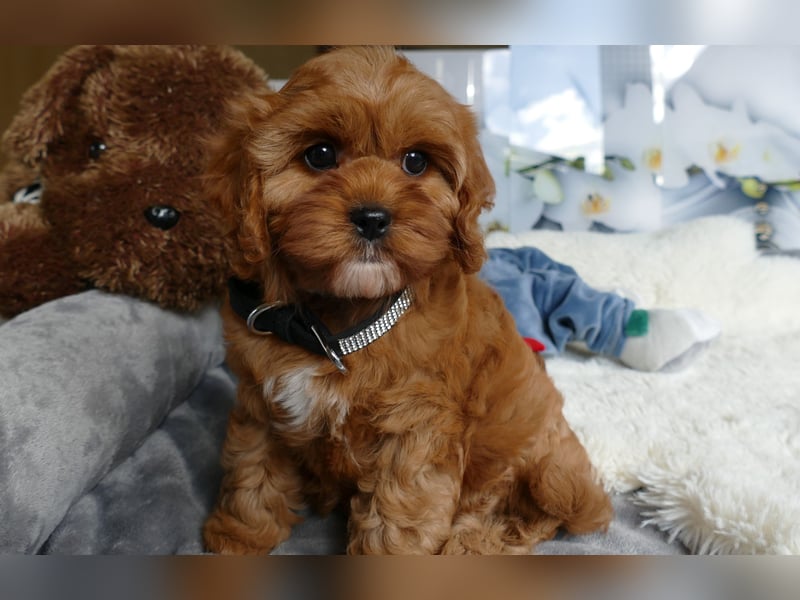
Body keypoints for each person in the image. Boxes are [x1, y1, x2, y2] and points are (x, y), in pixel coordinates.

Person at [481, 247, 721, 371]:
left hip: (481, 264)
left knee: (526, 262)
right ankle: (622, 326)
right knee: (520, 288)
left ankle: (591, 307)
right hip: (483, 309)